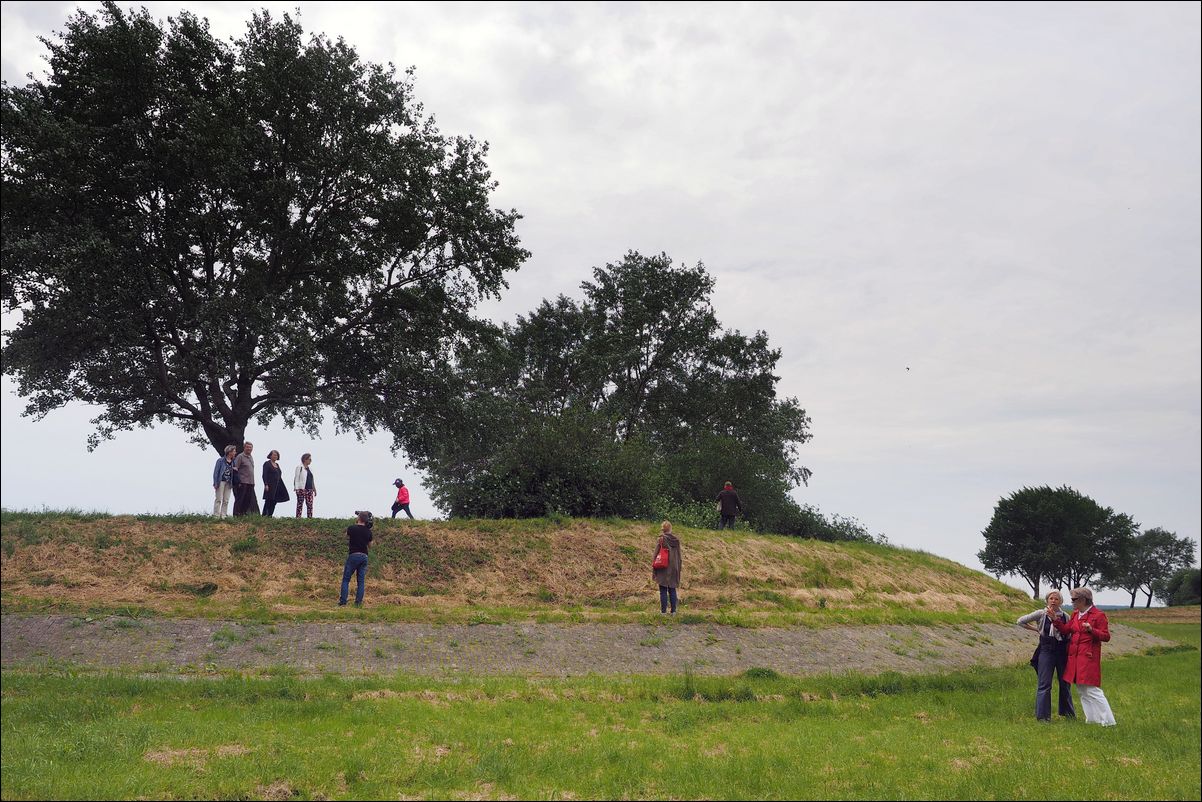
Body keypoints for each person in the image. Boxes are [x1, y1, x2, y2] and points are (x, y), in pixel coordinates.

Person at [1050, 587, 1115, 726]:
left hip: (1088, 657)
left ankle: (1108, 722)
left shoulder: (1098, 615)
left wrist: (1092, 630)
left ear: (1083, 599)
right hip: (1075, 657)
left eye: (1074, 599)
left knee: (1093, 690)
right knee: (1082, 690)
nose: (1072, 602)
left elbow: (1106, 636)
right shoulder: (1075, 614)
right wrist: (1055, 619)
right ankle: (1091, 720)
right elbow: (1066, 630)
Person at [1017, 590, 1075, 721]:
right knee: (1044, 684)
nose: (1053, 601)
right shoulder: (1041, 614)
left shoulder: (1066, 616)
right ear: (1047, 600)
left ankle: (1068, 714)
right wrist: (1036, 629)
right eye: (1051, 598)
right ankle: (1043, 717)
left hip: (1061, 651)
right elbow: (1020, 621)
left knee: (1065, 683)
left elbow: (1069, 633)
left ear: (1061, 601)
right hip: (1046, 649)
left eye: (1056, 599)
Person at [339, 510, 374, 606]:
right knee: (361, 581)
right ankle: (358, 603)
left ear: (358, 518)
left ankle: (343, 602)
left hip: (353, 555)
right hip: (364, 556)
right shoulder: (368, 531)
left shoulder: (352, 528)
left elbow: (345, 537)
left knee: (346, 579)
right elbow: (370, 546)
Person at [652, 520, 682, 614]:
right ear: (670, 529)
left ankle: (663, 612)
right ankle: (673, 611)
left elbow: (655, 554)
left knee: (663, 590)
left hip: (663, 566)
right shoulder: (676, 541)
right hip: (674, 567)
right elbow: (679, 556)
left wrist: (654, 567)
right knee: (672, 589)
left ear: (663, 529)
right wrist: (679, 568)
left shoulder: (661, 539)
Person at [232, 442, 259, 516]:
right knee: (240, 499)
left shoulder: (251, 457)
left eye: (250, 447)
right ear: (244, 447)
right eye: (247, 447)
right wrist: (237, 481)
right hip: (242, 482)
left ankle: (243, 514)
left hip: (251, 482)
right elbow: (235, 468)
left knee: (247, 500)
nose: (249, 449)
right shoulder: (240, 456)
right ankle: (236, 514)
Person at [261, 450, 290, 517]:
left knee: (274, 501)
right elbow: (264, 475)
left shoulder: (277, 465)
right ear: (270, 456)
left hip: (278, 486)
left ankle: (270, 515)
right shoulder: (267, 464)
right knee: (268, 500)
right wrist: (266, 484)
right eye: (274, 455)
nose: (275, 456)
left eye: (276, 455)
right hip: (270, 485)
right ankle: (264, 514)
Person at [211, 445, 237, 517]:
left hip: (229, 482)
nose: (235, 453)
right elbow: (216, 472)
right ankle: (216, 515)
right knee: (219, 498)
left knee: (226, 499)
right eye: (234, 451)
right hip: (221, 481)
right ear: (230, 452)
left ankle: (223, 515)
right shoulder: (220, 460)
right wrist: (215, 483)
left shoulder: (233, 462)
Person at [293, 453, 316, 518]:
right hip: (301, 489)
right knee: (300, 504)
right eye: (309, 459)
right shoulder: (299, 467)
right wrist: (296, 488)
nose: (310, 461)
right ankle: (298, 517)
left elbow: (312, 479)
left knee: (310, 505)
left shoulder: (310, 469)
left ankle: (310, 518)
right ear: (305, 459)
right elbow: (296, 478)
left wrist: (314, 489)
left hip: (310, 489)